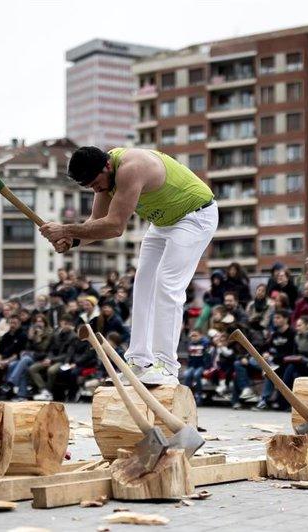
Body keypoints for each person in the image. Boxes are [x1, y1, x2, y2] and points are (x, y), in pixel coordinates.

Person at [41, 145, 218, 385]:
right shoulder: (104, 175)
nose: (97, 189)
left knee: (167, 285)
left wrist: (64, 229)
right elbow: (96, 224)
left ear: (107, 166)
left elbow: (114, 227)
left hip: (195, 216)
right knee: (142, 285)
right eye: (90, 187)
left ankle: (166, 365)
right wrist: (72, 241)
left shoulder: (131, 167)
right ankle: (139, 360)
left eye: (96, 183)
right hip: (163, 223)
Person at [254, 310, 295, 410]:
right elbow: (265, 347)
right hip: (272, 362)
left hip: (284, 364)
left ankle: (264, 400)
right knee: (246, 362)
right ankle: (246, 391)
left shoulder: (292, 334)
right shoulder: (275, 334)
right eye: (274, 318)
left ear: (285, 319)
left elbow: (291, 353)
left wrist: (273, 357)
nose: (275, 320)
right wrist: (265, 353)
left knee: (270, 373)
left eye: (278, 318)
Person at [30, 315, 78, 401]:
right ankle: (44, 390)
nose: (65, 326)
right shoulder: (56, 334)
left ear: (71, 325)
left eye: (67, 324)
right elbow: (51, 349)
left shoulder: (73, 337)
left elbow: (68, 354)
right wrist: (48, 358)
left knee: (51, 370)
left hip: (62, 361)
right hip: (52, 358)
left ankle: (48, 391)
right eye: (63, 323)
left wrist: (51, 360)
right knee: (33, 368)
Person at [183, 329, 211, 405]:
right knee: (187, 375)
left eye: (195, 335)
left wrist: (207, 368)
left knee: (197, 375)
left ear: (200, 336)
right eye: (192, 336)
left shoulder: (204, 343)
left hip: (201, 366)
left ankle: (199, 395)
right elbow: (189, 357)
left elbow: (208, 357)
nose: (193, 337)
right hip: (192, 366)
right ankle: (188, 395)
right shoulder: (190, 344)